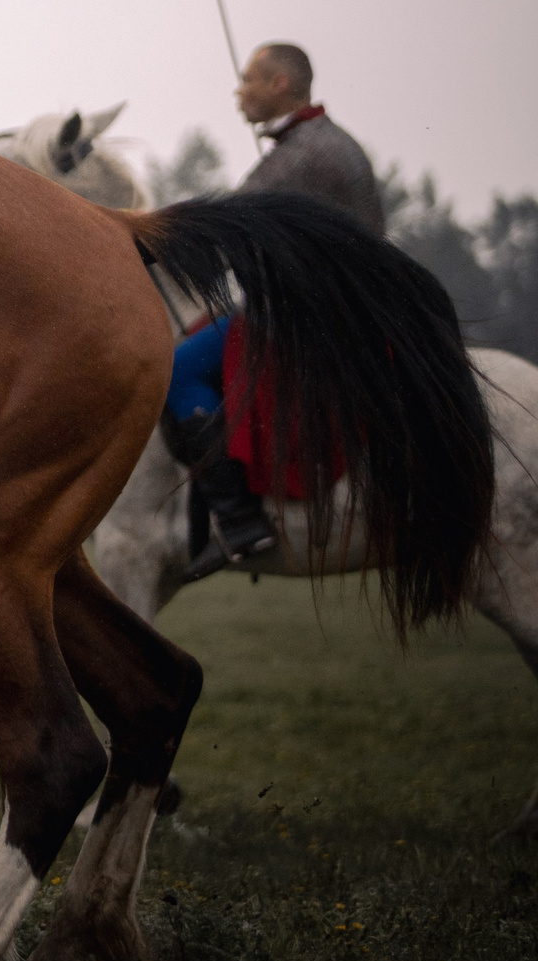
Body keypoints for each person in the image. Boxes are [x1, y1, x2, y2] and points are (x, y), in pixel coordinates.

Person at [164, 40, 384, 580]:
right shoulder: (322, 144)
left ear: (280, 85)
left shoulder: (302, 155)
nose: (238, 91)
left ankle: (240, 521)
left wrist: (147, 234)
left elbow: (228, 220)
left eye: (247, 79)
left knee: (177, 368)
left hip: (304, 320)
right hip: (327, 309)